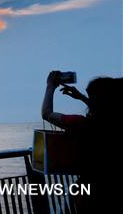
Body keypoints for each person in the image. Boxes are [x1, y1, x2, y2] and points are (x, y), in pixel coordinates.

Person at [41, 71, 122, 214]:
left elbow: (47, 114)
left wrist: (50, 86)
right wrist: (82, 98)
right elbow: (105, 110)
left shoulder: (82, 124)